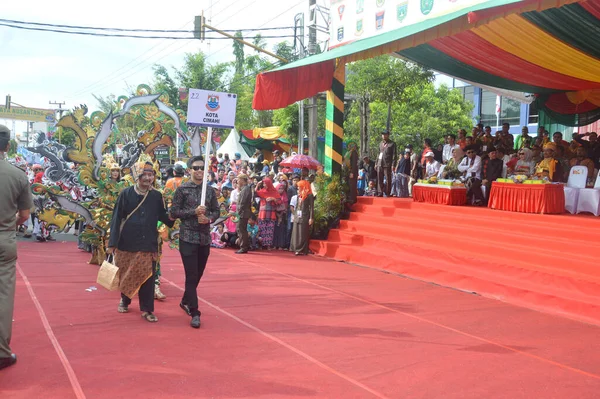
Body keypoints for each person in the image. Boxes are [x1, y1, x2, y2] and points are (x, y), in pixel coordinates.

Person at [107, 161, 173, 323]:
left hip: (148, 242)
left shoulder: (157, 196)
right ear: (137, 175)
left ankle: (147, 309)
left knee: (147, 276)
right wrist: (112, 243)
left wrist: (178, 212)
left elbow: (164, 217)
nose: (148, 178)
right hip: (126, 241)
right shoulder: (126, 194)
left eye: (151, 175)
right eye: (145, 174)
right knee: (127, 273)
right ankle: (125, 300)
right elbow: (116, 218)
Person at [169, 156, 220, 328]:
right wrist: (193, 211)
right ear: (189, 170)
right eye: (196, 168)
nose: (199, 171)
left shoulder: (210, 191)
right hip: (188, 237)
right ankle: (195, 311)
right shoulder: (182, 189)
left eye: (202, 168)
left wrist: (209, 218)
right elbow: (174, 211)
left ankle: (185, 300)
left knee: (198, 274)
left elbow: (216, 211)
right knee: (191, 275)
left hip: (204, 238)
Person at [0, 125, 33, 370]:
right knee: (3, 295)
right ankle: (1, 351)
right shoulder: (17, 175)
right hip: (4, 239)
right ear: (7, 147)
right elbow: (24, 214)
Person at [255, 177, 280, 249]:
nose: (264, 185)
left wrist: (273, 199)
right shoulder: (262, 191)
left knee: (269, 230)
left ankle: (268, 245)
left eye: (265, 183)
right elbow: (255, 193)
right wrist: (257, 185)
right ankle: (262, 245)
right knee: (262, 229)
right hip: (262, 213)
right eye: (263, 183)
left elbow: (279, 202)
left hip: (271, 214)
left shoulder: (274, 192)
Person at [290, 180, 314, 256]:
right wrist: (294, 215)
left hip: (305, 216)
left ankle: (303, 249)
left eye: (299, 187)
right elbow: (297, 206)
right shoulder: (299, 195)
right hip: (297, 216)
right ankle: (296, 248)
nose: (298, 188)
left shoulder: (309, 195)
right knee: (296, 232)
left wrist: (311, 218)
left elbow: (311, 208)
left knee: (302, 233)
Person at [376, 130, 397, 197]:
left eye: (385, 134)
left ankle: (388, 192)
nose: (384, 136)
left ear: (388, 135)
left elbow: (394, 155)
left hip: (387, 164)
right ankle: (380, 192)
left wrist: (393, 164)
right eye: (383, 134)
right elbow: (378, 154)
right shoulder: (380, 143)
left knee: (388, 179)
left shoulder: (392, 144)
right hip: (380, 163)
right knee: (379, 178)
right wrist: (376, 163)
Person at [235, 173, 252, 254]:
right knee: (241, 229)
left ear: (242, 180)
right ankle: (243, 246)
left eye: (238, 179)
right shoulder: (245, 189)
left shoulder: (246, 189)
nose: (237, 181)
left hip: (243, 213)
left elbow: (242, 202)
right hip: (243, 212)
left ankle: (243, 247)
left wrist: (238, 212)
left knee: (241, 230)